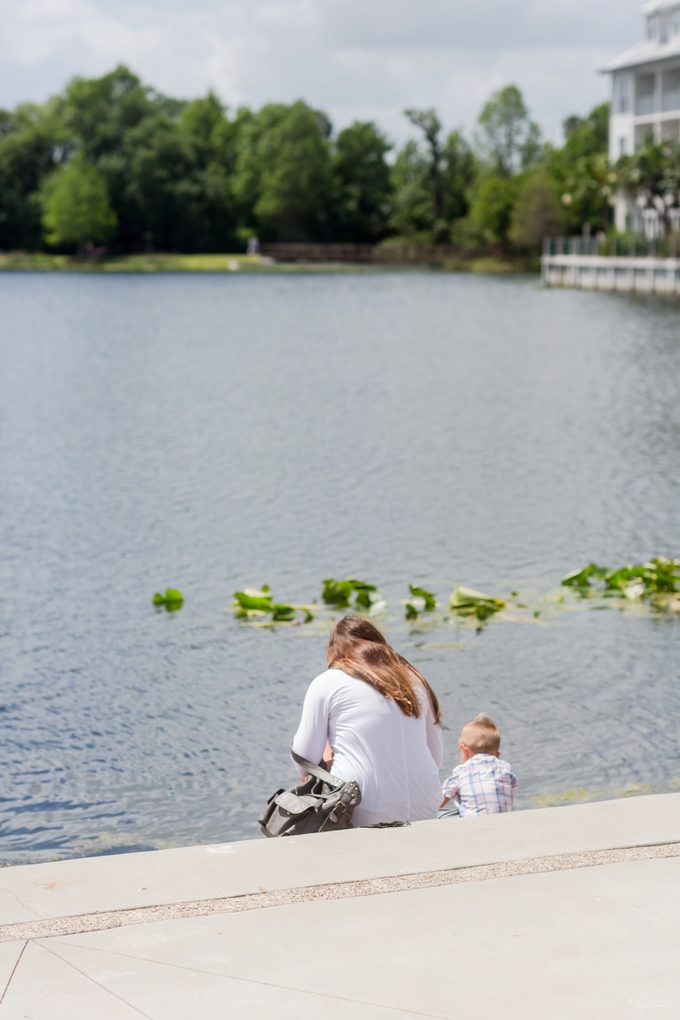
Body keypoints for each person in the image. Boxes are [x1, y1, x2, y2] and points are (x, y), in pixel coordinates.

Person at [292, 616, 443, 827]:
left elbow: (303, 763)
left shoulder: (328, 681)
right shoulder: (413, 679)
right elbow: (436, 759)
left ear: (332, 652)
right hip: (426, 804)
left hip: (360, 808)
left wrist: (328, 752)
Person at [439, 713, 517, 818]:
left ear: (464, 750)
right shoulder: (506, 768)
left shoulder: (461, 771)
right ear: (497, 755)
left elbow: (439, 802)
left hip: (475, 829)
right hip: (504, 825)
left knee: (442, 814)